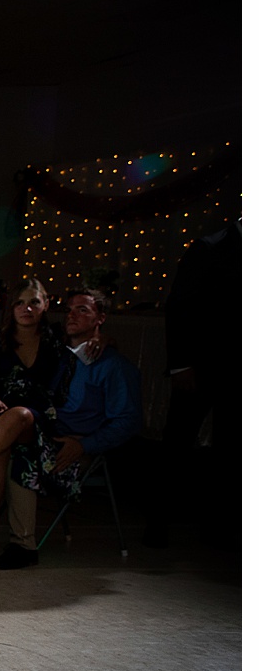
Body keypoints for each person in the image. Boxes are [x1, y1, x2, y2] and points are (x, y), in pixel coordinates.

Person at [0, 286, 142, 568]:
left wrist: (84, 444)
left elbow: (128, 422)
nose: (72, 315)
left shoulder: (114, 365)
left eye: (83, 310)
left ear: (100, 318)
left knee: (11, 443)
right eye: (69, 310)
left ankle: (18, 542)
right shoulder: (59, 350)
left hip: (70, 445)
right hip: (39, 430)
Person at [148, 226, 239, 550]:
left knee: (232, 448)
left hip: (240, 370)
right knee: (178, 442)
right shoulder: (208, 246)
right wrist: (181, 364)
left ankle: (217, 528)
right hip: (200, 366)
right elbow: (180, 306)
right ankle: (156, 524)